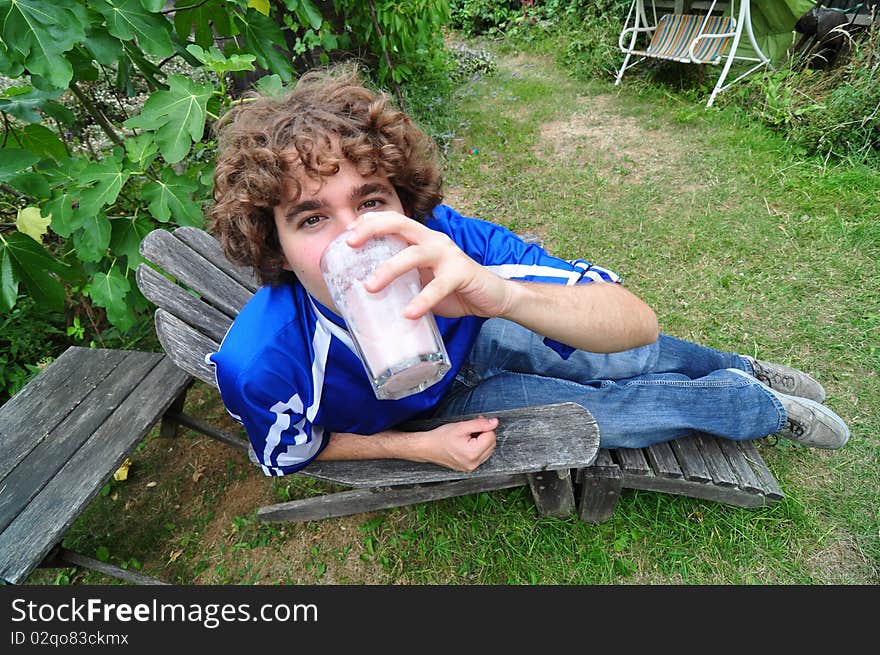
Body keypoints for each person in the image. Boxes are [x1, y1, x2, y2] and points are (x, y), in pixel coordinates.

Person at [206, 65, 850, 478]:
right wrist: (418, 447)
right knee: (604, 413)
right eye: (312, 218)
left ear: (403, 201)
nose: (357, 242)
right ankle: (752, 404)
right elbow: (295, 449)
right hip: (438, 411)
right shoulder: (262, 362)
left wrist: (501, 296)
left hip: (478, 335)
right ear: (275, 240)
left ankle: (736, 362)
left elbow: (633, 320)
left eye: (372, 201)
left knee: (613, 356)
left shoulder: (448, 242)